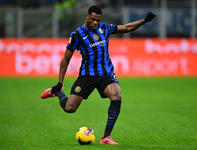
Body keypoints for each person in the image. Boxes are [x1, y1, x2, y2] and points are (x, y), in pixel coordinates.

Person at [41, 5, 156, 145]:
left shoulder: (105, 28)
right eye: (93, 19)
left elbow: (126, 28)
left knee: (116, 95)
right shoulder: (77, 35)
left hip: (106, 74)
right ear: (87, 16)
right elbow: (66, 59)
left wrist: (144, 20)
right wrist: (60, 82)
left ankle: (106, 137)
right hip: (87, 75)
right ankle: (58, 92)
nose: (96, 22)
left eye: (98, 20)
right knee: (69, 108)